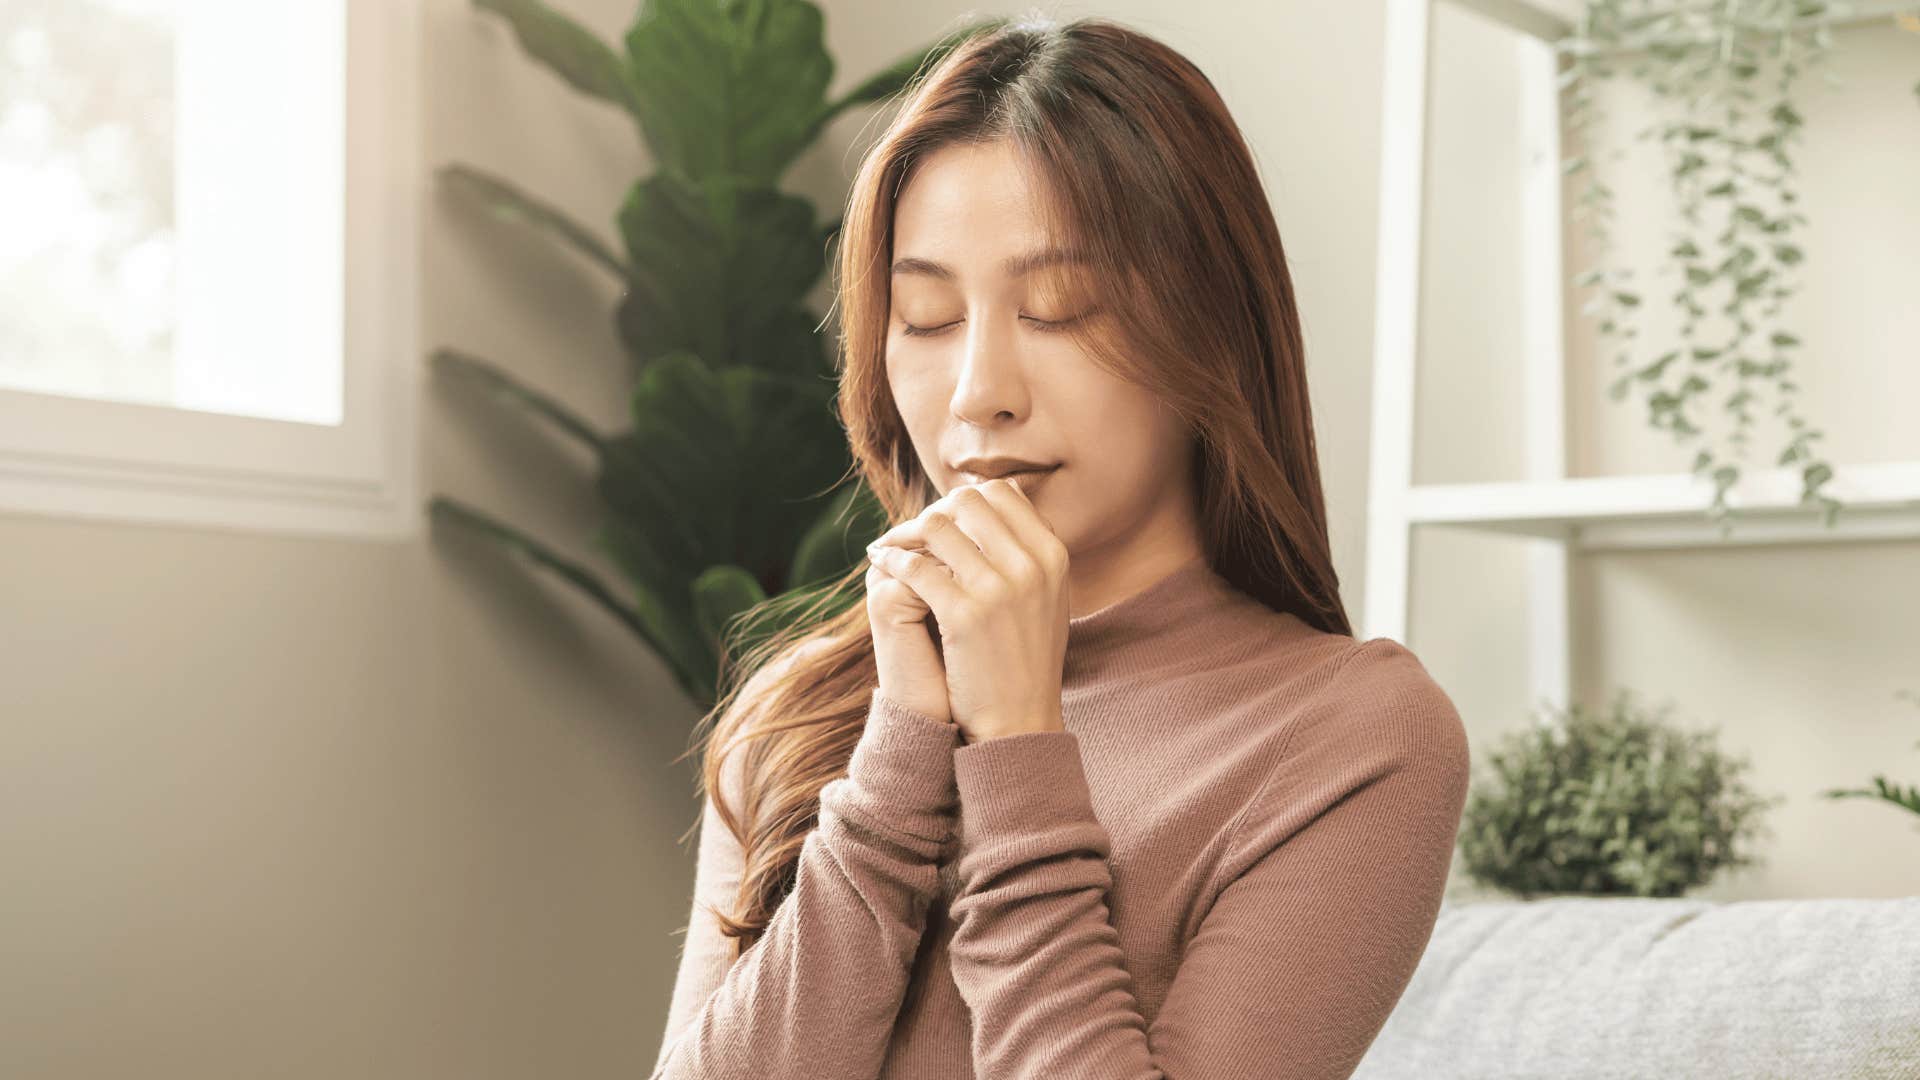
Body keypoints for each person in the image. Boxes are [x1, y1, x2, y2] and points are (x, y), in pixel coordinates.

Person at [650, 13, 1471, 1079]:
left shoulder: (1353, 738)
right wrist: (901, 756)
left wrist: (1017, 751)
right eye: (929, 318)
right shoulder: (804, 709)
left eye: (1061, 310)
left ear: (1212, 331)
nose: (981, 394)